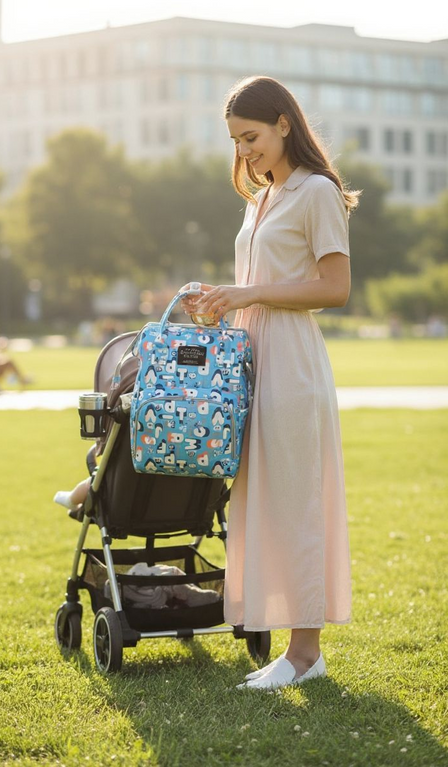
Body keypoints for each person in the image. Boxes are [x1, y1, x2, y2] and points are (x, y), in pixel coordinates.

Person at [179, 75, 361, 691]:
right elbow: (260, 280)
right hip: (247, 360)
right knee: (259, 500)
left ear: (284, 123)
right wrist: (223, 302)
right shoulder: (261, 199)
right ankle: (288, 644)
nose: (244, 152)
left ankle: (305, 655)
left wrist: (251, 292)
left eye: (251, 137)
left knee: (295, 501)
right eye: (235, 142)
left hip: (291, 364)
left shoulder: (315, 193)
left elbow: (333, 288)